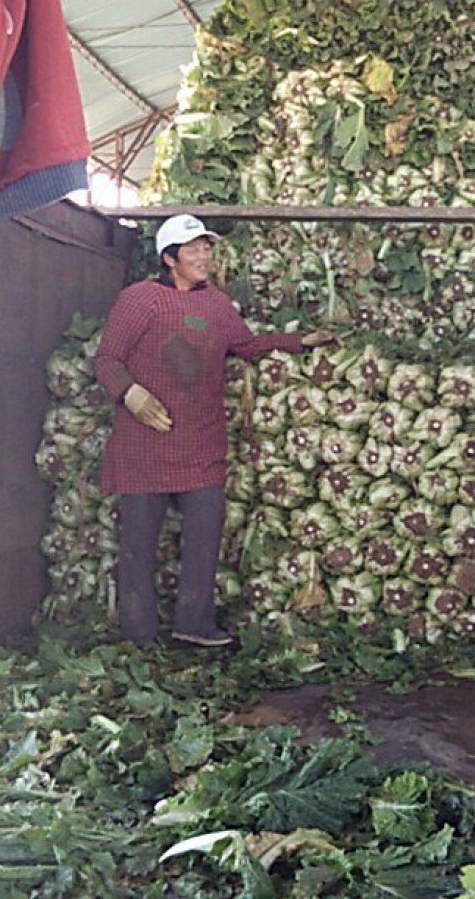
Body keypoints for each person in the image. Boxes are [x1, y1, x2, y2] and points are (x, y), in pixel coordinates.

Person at [95, 214, 333, 648]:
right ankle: (139, 635)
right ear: (169, 258)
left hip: (200, 442)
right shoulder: (139, 300)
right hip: (145, 443)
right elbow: (107, 359)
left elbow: (246, 346)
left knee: (205, 537)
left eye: (206, 247)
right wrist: (130, 394)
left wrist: (298, 342)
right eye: (193, 249)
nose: (204, 255)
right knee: (138, 545)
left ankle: (194, 624)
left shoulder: (217, 306)